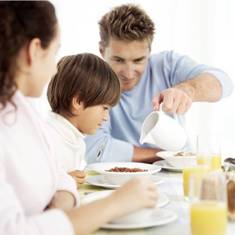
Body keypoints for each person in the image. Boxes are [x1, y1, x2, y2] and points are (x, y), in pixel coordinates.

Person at [0, 2, 158, 235]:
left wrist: (61, 198)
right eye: (54, 52)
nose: (55, 69)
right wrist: (115, 203)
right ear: (34, 51)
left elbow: (56, 175)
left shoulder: (21, 110)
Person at [85, 4, 233, 164]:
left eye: (138, 60)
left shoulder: (167, 65)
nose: (128, 73)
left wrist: (186, 91)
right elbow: (97, 150)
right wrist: (168, 156)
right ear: (102, 50)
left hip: (178, 175)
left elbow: (224, 83)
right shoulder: (91, 84)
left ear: (149, 52)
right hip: (122, 182)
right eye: (119, 60)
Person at [47, 53, 120, 186]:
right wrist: (59, 183)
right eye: (104, 108)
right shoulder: (47, 137)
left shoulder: (76, 140)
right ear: (78, 102)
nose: (106, 117)